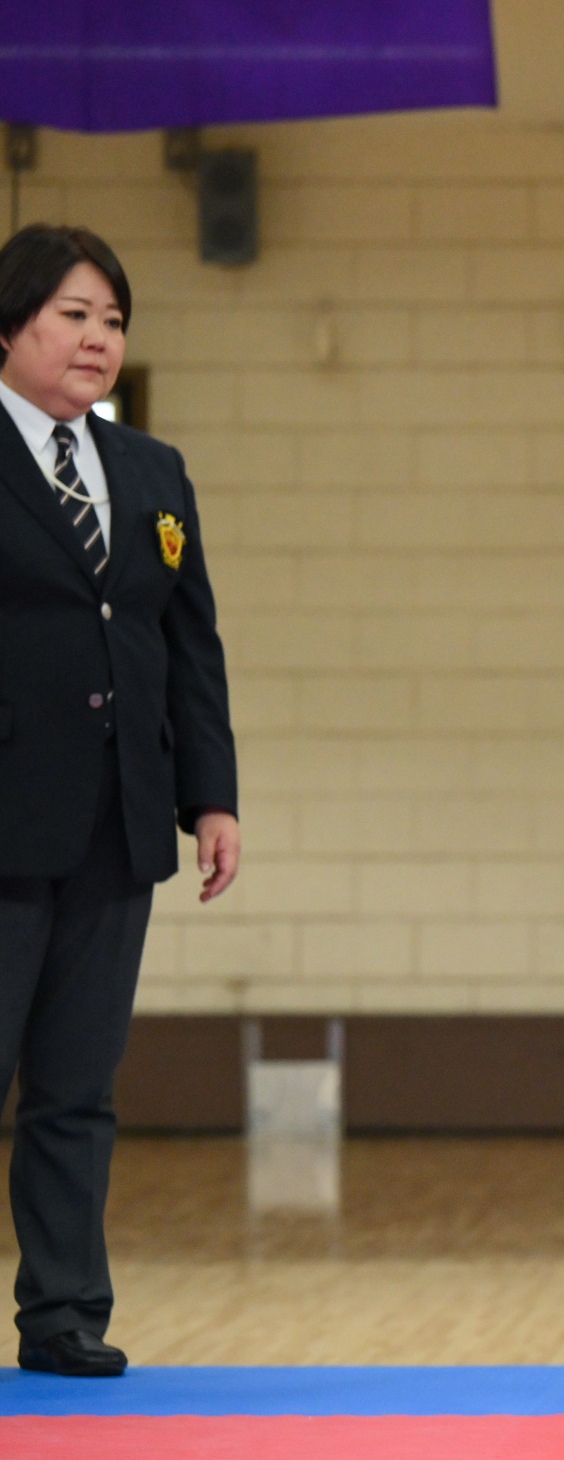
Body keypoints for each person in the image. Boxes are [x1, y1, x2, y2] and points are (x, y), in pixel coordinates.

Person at [0, 224, 238, 1379]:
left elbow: (190, 646)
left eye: (113, 321)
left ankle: (63, 1314)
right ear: (11, 325)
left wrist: (211, 798)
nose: (97, 339)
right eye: (73, 315)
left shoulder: (151, 471)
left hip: (118, 819)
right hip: (4, 819)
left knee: (77, 1086)